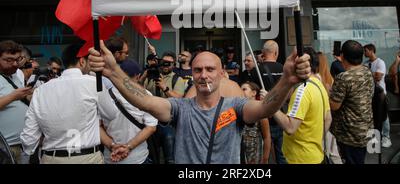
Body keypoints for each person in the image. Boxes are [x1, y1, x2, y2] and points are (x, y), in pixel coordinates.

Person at [88, 41, 311, 164]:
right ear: (192, 75)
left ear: (222, 73)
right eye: (198, 70)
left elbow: (265, 108)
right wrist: (113, 71)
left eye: (210, 69)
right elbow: (145, 101)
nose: (204, 75)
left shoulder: (236, 106)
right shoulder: (181, 108)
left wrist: (287, 80)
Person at [20, 41, 116, 164]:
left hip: (51, 158)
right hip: (87, 158)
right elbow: (111, 114)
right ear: (82, 61)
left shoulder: (41, 90)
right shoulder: (93, 83)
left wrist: (29, 149)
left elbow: (29, 138)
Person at [262, 48, 331, 164]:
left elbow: (290, 127)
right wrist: (315, 139)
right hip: (315, 155)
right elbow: (328, 118)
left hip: (300, 158)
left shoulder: (303, 90)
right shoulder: (319, 84)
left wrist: (270, 105)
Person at [101, 59, 158, 164]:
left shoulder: (103, 95)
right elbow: (151, 127)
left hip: (110, 157)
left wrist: (112, 146)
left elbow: (97, 126)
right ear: (137, 76)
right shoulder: (146, 96)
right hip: (138, 157)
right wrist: (128, 147)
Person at [329, 40, 374, 164]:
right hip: (366, 129)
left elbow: (334, 105)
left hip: (349, 134)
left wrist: (328, 91)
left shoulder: (344, 77)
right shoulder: (367, 71)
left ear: (342, 56)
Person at [249, 40, 287, 164]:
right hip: (280, 116)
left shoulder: (256, 71)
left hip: (262, 117)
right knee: (281, 154)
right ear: (276, 53)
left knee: (264, 153)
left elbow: (252, 93)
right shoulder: (283, 69)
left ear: (263, 53)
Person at [144, 51, 184, 164]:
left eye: (168, 63)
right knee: (152, 157)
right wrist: (145, 74)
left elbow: (179, 99)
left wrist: (164, 88)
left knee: (170, 158)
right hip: (150, 121)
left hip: (168, 122)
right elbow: (139, 91)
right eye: (163, 62)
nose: (165, 65)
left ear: (174, 64)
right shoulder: (151, 75)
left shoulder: (177, 79)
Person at [0, 40, 32, 164]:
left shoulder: (13, 76)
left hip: (21, 145)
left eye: (17, 60)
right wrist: (13, 96)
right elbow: (13, 97)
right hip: (4, 148)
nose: (14, 64)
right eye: (8, 60)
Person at [363, 43, 391, 148]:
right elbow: (364, 77)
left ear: (371, 50)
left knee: (383, 115)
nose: (364, 53)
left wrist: (369, 75)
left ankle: (386, 137)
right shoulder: (365, 63)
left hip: (380, 94)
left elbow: (378, 77)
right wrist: (372, 75)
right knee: (371, 116)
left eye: (365, 51)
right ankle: (374, 138)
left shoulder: (380, 62)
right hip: (369, 94)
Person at [240, 81, 271, 164]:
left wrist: (265, 158)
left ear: (253, 93)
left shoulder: (259, 111)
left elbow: (267, 137)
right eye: (240, 89)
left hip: (255, 158)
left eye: (244, 89)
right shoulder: (238, 110)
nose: (240, 91)